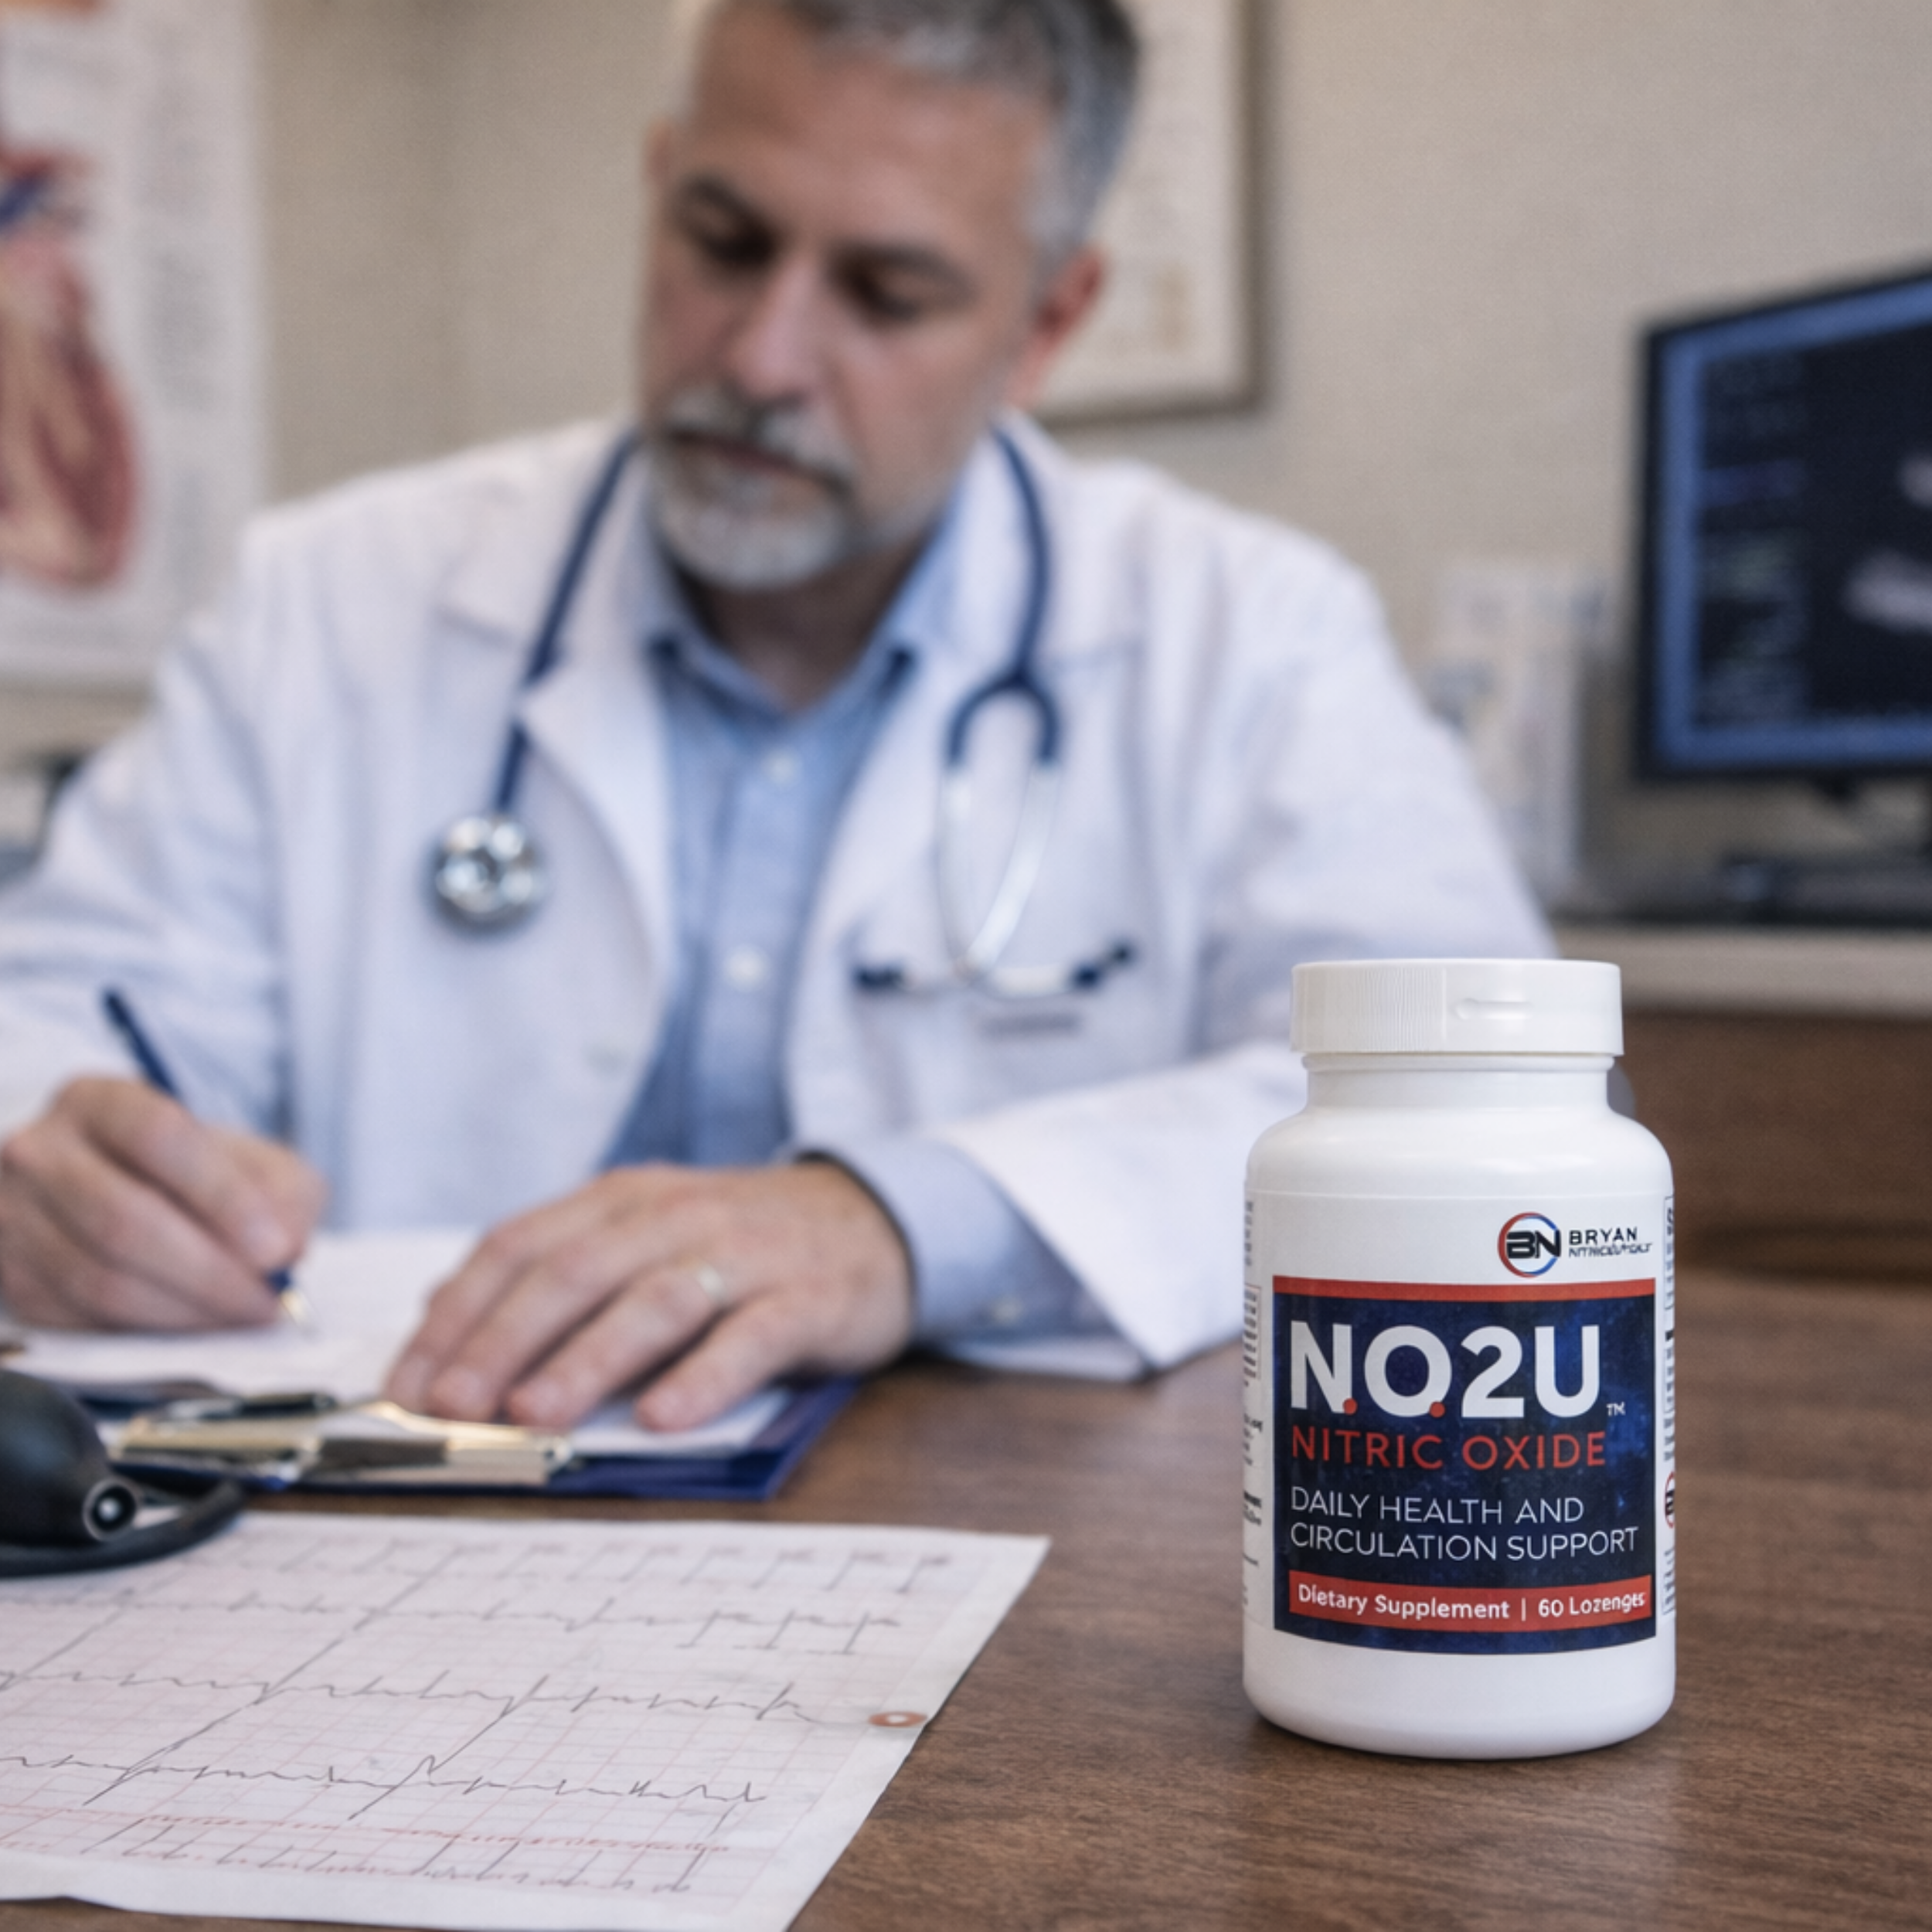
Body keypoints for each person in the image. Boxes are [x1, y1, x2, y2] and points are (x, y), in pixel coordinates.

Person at [0, 0, 1547, 1431]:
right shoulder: (324, 600)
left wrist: (901, 1221)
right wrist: (48, 1154)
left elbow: (1483, 1106)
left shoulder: (1247, 633)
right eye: (723, 240)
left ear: (1047, 322)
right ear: (658, 181)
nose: (761, 358)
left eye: (887, 292)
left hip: (1013, 1547)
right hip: (389, 1498)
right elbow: (72, 1010)